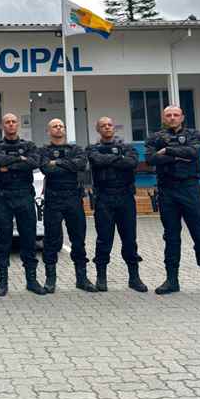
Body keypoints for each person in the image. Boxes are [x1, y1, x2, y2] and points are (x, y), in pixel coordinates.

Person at [145, 105, 200, 301]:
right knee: (171, 237)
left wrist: (167, 151)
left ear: (182, 117)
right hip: (167, 191)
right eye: (168, 115)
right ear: (164, 118)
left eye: (176, 115)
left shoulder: (196, 134)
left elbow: (193, 153)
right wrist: (178, 155)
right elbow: (151, 160)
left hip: (190, 189)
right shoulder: (154, 138)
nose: (172, 118)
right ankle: (172, 280)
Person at [86, 117, 147, 293]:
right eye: (103, 125)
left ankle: (134, 278)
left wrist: (109, 159)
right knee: (104, 239)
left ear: (114, 128)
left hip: (125, 197)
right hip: (104, 198)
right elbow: (96, 161)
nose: (107, 127)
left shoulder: (127, 148)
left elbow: (132, 162)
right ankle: (101, 277)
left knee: (129, 239)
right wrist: (117, 158)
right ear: (98, 129)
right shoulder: (92, 149)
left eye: (109, 125)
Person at [0, 113, 46, 296]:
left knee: (29, 239)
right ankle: (2, 282)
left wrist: (10, 164)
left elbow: (34, 163)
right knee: (2, 241)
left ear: (18, 124)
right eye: (7, 122)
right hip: (3, 198)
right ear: (2, 125)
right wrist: (21, 160)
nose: (11, 124)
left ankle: (32, 280)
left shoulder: (29, 146)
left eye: (14, 122)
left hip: (24, 197)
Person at [40, 119, 96, 293]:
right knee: (51, 240)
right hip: (53, 199)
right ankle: (50, 280)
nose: (59, 128)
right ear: (49, 131)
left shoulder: (76, 149)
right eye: (55, 126)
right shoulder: (43, 151)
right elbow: (45, 169)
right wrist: (67, 165)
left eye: (61, 126)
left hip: (73, 198)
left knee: (78, 239)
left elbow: (80, 165)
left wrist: (56, 163)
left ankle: (82, 279)